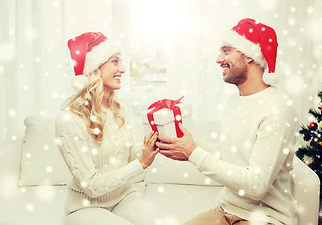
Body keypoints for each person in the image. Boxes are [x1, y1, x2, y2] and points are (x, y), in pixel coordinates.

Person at [157, 18, 299, 225]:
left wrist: (193, 153)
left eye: (226, 51)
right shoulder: (235, 101)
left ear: (250, 55)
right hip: (225, 210)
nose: (218, 59)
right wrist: (188, 147)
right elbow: (231, 156)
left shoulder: (279, 109)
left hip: (266, 218)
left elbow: (256, 186)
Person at [55, 32, 159, 225]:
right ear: (95, 68)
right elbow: (91, 186)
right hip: (86, 207)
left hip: (123, 197)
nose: (123, 69)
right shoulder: (70, 120)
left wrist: (152, 145)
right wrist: (141, 164)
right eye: (115, 61)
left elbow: (127, 156)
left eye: (121, 62)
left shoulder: (121, 107)